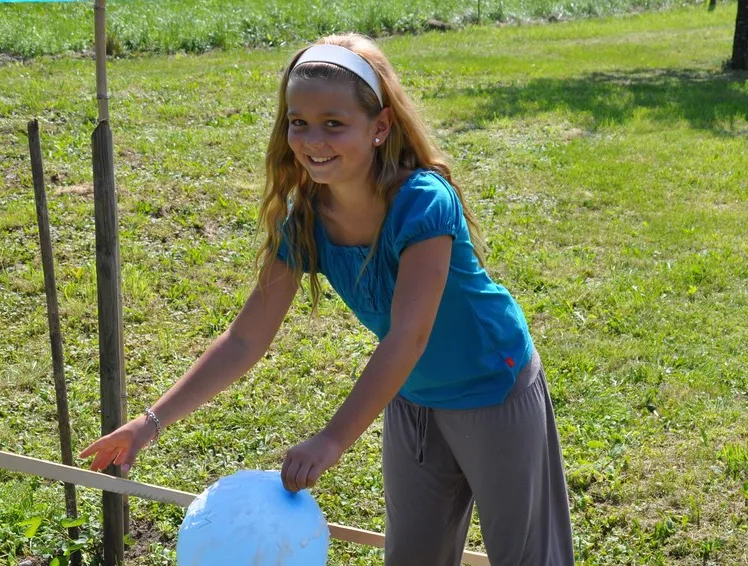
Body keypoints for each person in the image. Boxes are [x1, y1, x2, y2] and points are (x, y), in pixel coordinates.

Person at [80, 33, 575, 566]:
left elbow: (410, 335)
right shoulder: (307, 219)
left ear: (379, 127)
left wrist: (333, 439)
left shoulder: (424, 202)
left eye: (334, 123)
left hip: (493, 388)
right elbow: (245, 338)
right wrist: (149, 423)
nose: (313, 140)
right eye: (299, 122)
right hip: (412, 399)